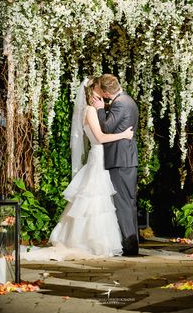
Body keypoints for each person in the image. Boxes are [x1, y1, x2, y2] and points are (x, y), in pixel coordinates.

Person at [20, 76, 134, 261]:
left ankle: (95, 241)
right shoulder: (90, 111)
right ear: (93, 93)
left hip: (99, 158)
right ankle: (91, 242)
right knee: (95, 201)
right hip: (98, 156)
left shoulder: (92, 110)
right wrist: (123, 134)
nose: (103, 96)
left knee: (98, 201)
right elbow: (100, 138)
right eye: (99, 92)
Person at [92, 74, 139, 256]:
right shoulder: (129, 100)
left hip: (120, 159)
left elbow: (106, 127)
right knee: (129, 201)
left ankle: (129, 245)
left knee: (123, 202)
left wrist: (100, 109)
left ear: (104, 92)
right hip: (126, 158)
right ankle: (132, 242)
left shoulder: (120, 103)